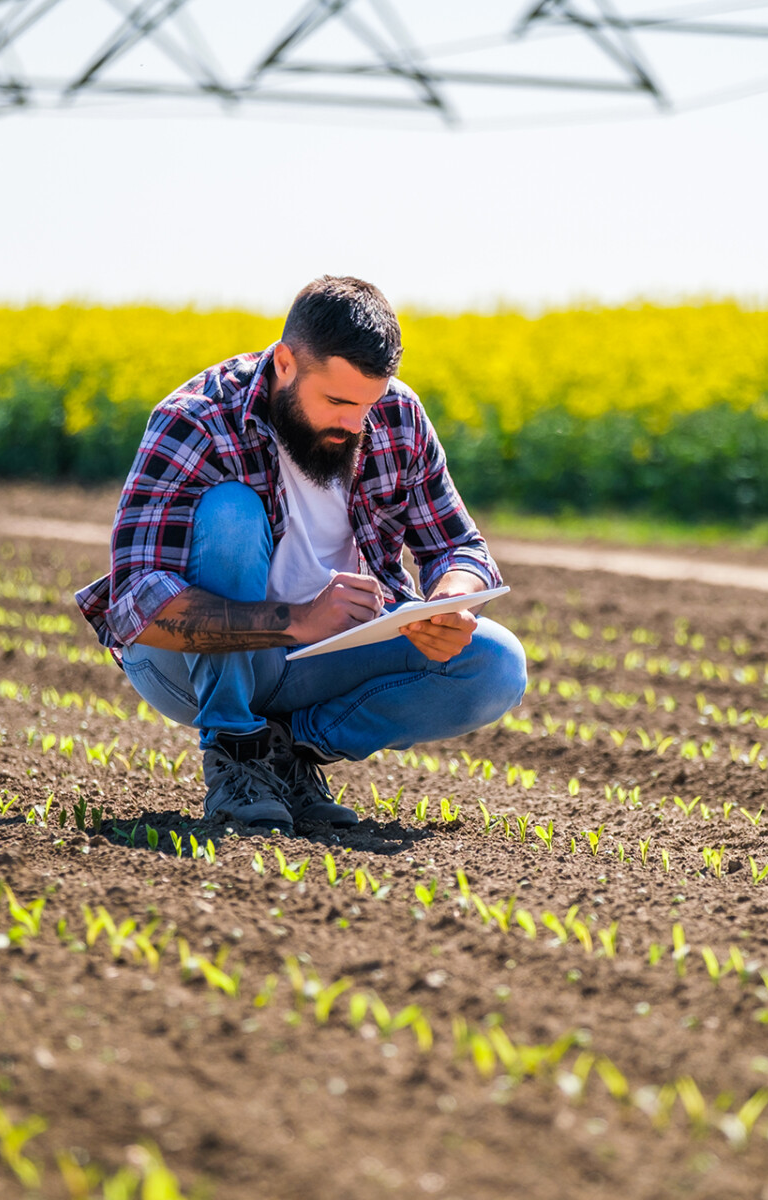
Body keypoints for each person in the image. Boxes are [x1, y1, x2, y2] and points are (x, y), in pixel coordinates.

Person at [74, 276, 526, 835]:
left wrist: (451, 601)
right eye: (336, 401)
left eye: (368, 403)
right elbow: (137, 601)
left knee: (495, 664)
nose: (354, 424)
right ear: (285, 363)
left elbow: (459, 546)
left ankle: (290, 751)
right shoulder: (198, 417)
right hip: (182, 665)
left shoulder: (398, 415)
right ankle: (236, 751)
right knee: (232, 513)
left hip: (325, 657)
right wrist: (301, 619)